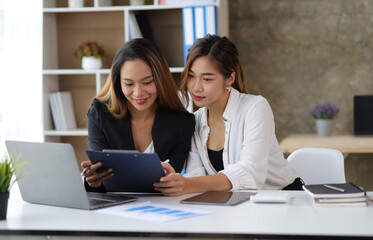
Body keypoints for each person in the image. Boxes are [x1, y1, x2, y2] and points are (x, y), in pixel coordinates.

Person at [154, 34, 302, 196]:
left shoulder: (255, 107)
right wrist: (173, 180)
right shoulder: (196, 120)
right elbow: (196, 176)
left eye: (207, 79)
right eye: (191, 76)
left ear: (230, 78)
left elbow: (250, 174)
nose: (196, 87)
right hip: (237, 203)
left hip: (283, 197)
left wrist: (188, 183)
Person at [82, 38, 195, 191]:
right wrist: (93, 181)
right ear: (118, 83)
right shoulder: (99, 113)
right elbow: (101, 182)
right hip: (114, 207)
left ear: (160, 79)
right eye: (129, 84)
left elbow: (170, 180)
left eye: (147, 82)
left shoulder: (182, 123)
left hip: (160, 207)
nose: (139, 93)